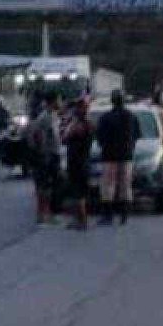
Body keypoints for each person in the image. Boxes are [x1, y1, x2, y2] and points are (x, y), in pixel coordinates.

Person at [95, 90, 141, 225]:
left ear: (112, 101)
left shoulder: (105, 117)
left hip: (109, 156)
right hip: (126, 155)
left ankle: (108, 216)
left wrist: (105, 145)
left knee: (108, 186)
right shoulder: (132, 117)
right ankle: (124, 214)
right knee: (125, 186)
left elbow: (100, 136)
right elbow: (137, 135)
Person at [29, 92, 62, 224]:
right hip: (47, 155)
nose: (60, 103)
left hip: (52, 154)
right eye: (58, 100)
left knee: (50, 185)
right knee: (45, 186)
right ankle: (44, 214)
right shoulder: (45, 117)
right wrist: (43, 152)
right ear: (52, 102)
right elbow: (37, 135)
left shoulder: (52, 115)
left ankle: (45, 214)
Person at [63, 97, 94, 230]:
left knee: (78, 192)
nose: (74, 110)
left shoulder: (81, 125)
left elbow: (66, 137)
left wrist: (71, 125)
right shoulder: (86, 123)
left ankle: (82, 220)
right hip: (80, 161)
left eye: (77, 108)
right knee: (77, 192)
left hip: (78, 162)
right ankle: (78, 219)